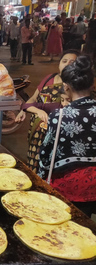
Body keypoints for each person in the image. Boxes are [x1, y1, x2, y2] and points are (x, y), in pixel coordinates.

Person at [38, 55, 96, 217]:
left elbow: (46, 154)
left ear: (66, 87)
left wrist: (41, 179)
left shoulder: (60, 116)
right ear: (92, 85)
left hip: (69, 186)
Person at [15, 50, 80, 172]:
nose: (67, 64)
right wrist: (24, 110)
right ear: (59, 64)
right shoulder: (49, 78)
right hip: (37, 129)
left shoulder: (77, 86)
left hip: (57, 132)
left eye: (72, 62)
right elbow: (34, 98)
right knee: (33, 161)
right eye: (64, 61)